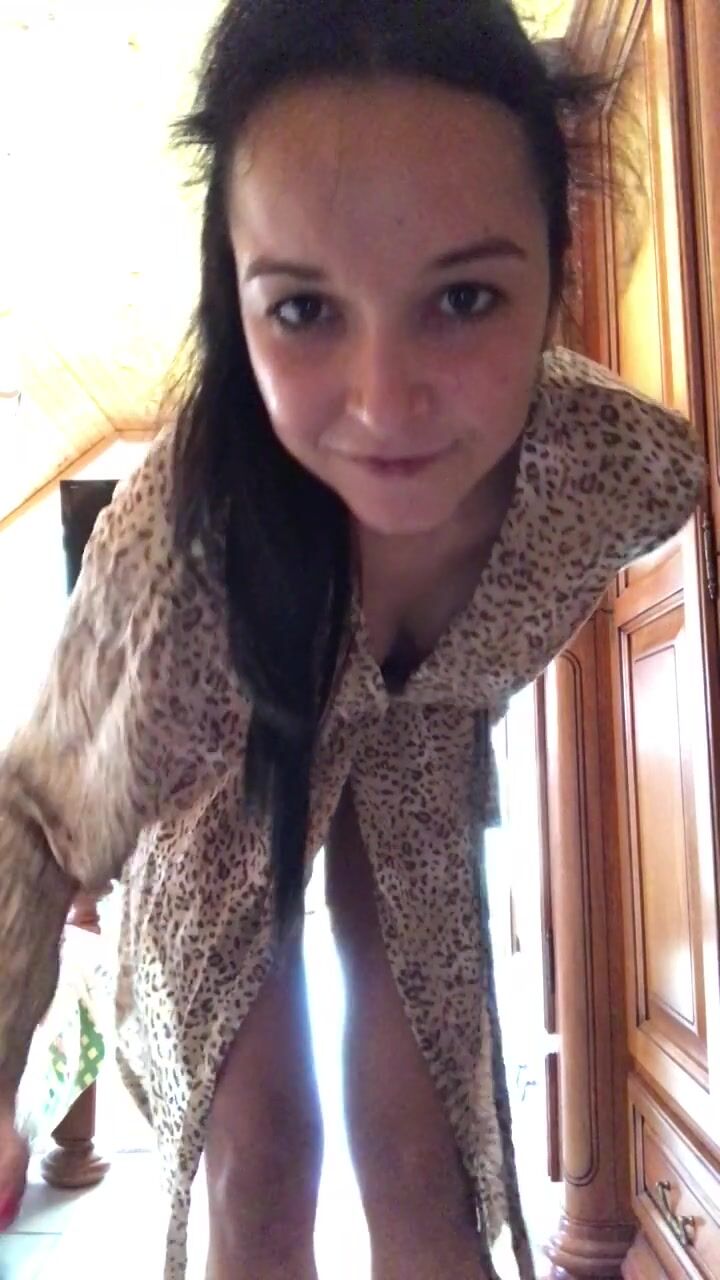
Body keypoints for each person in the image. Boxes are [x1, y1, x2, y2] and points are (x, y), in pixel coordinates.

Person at [0, 2, 706, 1277]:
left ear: (561, 261)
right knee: (264, 1156)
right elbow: (39, 818)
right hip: (224, 790)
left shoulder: (619, 467)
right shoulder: (184, 552)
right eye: (305, 310)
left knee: (427, 1159)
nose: (386, 405)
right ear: (235, 295)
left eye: (464, 296)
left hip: (423, 755)